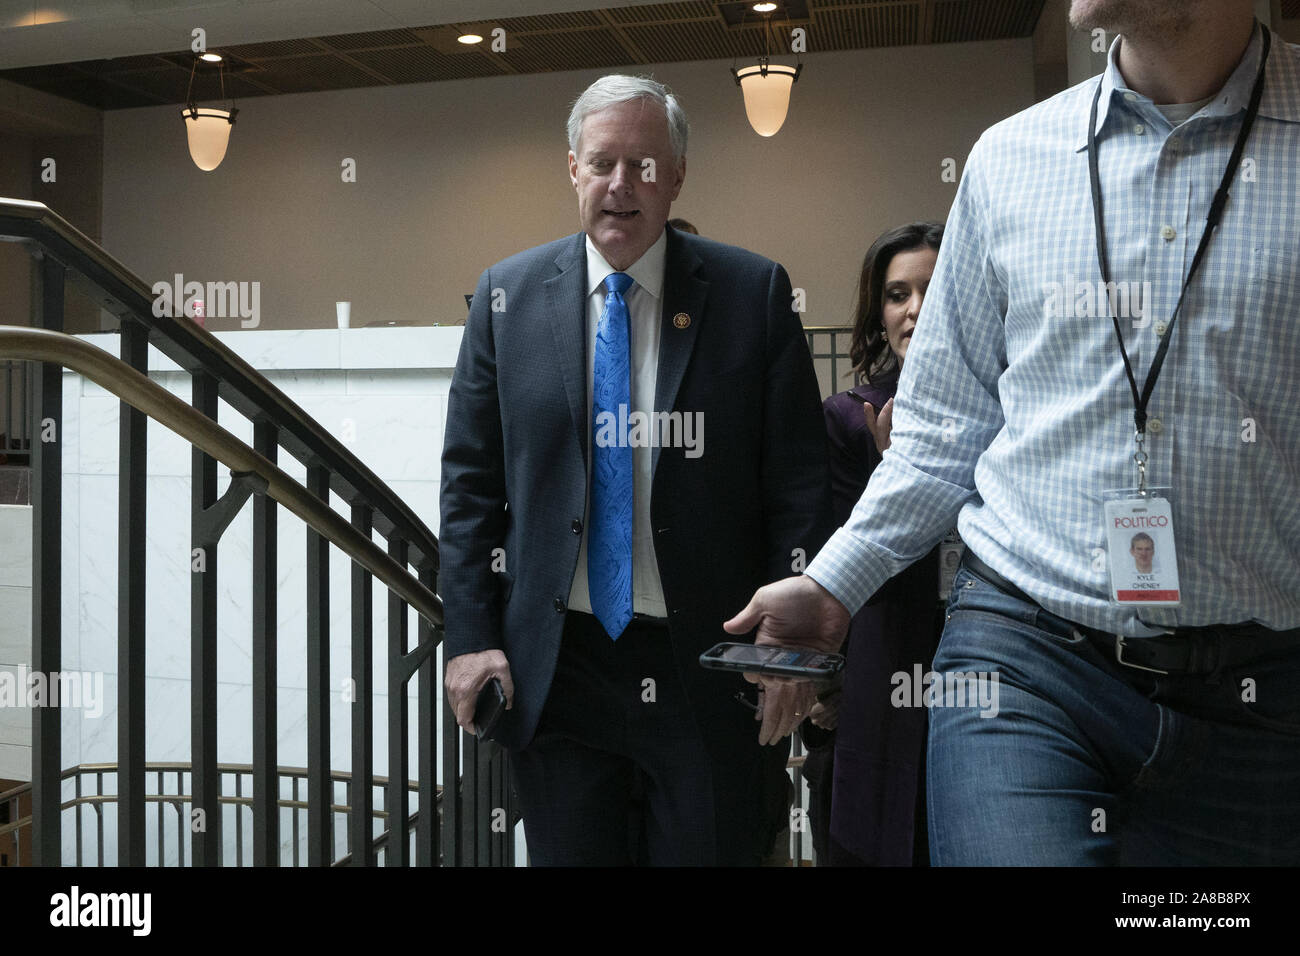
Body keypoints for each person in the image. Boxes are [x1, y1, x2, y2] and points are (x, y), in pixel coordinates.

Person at [726, 0, 1300, 865]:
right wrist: (835, 588)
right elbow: (944, 426)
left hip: (1264, 693)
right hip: (1027, 658)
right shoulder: (1009, 160)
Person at [439, 74, 831, 866]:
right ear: (573, 171)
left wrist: (792, 652)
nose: (623, 185)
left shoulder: (752, 292)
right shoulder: (505, 296)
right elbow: (470, 485)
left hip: (712, 671)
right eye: (603, 162)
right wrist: (472, 636)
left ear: (677, 176)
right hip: (559, 672)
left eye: (646, 165)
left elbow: (799, 485)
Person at [813, 222, 946, 866]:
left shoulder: (1012, 404)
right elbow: (835, 557)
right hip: (884, 658)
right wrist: (896, 478)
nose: (915, 309)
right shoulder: (848, 417)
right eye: (897, 294)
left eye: (932, 287)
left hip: (989, 654)